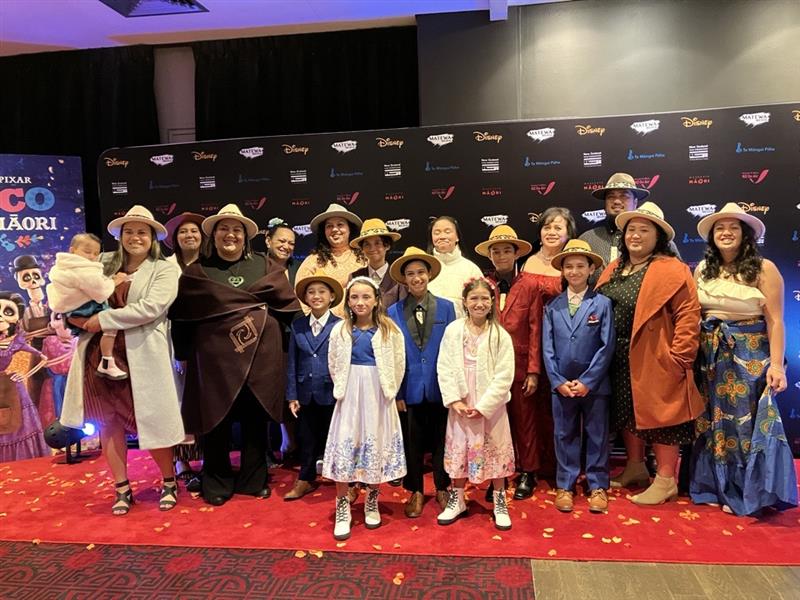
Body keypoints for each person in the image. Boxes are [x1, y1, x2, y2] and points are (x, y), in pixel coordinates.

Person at [169, 204, 300, 506]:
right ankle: (216, 479)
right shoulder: (197, 272)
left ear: (245, 237)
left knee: (256, 421)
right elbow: (182, 317)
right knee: (215, 422)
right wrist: (183, 354)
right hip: (213, 364)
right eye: (223, 229)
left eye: (236, 230)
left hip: (260, 360)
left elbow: (287, 307)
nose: (230, 235)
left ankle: (254, 480)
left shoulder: (267, 266)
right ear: (213, 236)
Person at [60, 205, 185, 515]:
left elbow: (151, 308)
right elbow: (72, 295)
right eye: (129, 231)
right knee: (108, 421)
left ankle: (169, 481)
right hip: (97, 356)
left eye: (142, 231)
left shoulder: (165, 268)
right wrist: (76, 317)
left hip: (140, 355)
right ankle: (121, 487)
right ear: (120, 236)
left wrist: (103, 320)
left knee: (152, 420)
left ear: (153, 236)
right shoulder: (100, 264)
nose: (135, 237)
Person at [690, 203, 797, 515]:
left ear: (745, 235)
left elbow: (776, 320)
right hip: (709, 354)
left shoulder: (766, 269)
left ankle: (746, 491)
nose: (725, 233)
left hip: (750, 355)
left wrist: (776, 364)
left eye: (733, 228)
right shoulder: (702, 270)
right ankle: (713, 486)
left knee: (745, 424)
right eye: (719, 228)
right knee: (709, 421)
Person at [595, 201, 704, 506]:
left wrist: (679, 356)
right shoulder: (614, 268)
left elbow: (688, 313)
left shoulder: (672, 268)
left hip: (656, 356)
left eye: (645, 230)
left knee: (662, 417)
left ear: (658, 237)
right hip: (618, 357)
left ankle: (666, 479)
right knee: (630, 414)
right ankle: (636, 467)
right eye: (631, 229)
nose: (636, 235)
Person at [323, 277, 406, 541]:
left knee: (374, 442)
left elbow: (397, 362)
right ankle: (342, 505)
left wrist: (389, 389)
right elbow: (334, 362)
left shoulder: (389, 329)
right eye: (355, 297)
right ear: (348, 300)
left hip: (378, 392)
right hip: (349, 392)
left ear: (376, 300)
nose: (360, 302)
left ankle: (372, 497)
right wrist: (343, 387)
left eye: (366, 297)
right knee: (346, 442)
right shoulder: (340, 330)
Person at [436, 278, 516, 531]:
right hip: (462, 400)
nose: (479, 303)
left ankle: (499, 500)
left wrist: (485, 405)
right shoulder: (453, 331)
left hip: (490, 403)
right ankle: (457, 498)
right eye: (474, 299)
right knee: (459, 447)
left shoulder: (500, 335)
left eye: (484, 298)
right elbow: (445, 366)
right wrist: (455, 400)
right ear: (465, 302)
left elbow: (505, 375)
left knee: (496, 449)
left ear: (492, 302)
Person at [542, 239, 615, 513]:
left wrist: (588, 381)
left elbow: (607, 346)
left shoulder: (602, 303)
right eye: (569, 267)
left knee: (597, 435)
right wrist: (558, 381)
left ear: (590, 269)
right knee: (564, 434)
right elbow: (547, 348)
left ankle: (597, 485)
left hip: (594, 386)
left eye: (580, 266)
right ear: (562, 271)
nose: (574, 271)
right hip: (561, 385)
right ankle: (565, 484)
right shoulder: (552, 306)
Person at [386, 247, 456, 517]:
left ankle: (442, 486)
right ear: (404, 279)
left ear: (429, 275)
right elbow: (391, 355)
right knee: (411, 442)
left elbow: (452, 351)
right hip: (409, 389)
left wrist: (452, 388)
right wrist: (398, 392)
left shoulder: (447, 308)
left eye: (421, 273)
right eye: (410, 274)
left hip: (440, 387)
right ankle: (415, 490)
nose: (416, 278)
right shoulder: (392, 312)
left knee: (442, 439)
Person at [478, 225, 542, 500]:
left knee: (524, 421)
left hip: (520, 365)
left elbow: (536, 327)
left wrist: (533, 371)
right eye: (496, 251)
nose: (501, 255)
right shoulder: (484, 284)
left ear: (516, 253)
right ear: (490, 255)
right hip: (490, 368)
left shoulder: (530, 285)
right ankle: (499, 473)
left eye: (506, 250)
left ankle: (529, 471)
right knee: (495, 424)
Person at [519, 206, 577, 482]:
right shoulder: (527, 262)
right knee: (530, 409)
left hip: (562, 343)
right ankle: (530, 466)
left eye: (558, 227)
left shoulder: (572, 265)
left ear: (568, 233)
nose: (552, 232)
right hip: (529, 343)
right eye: (547, 227)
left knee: (559, 408)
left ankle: (560, 468)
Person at [284, 272, 343, 501]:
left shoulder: (340, 325)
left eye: (322, 292)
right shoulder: (298, 326)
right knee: (306, 438)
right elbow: (292, 362)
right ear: (306, 298)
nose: (316, 296)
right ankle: (305, 479)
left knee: (337, 437)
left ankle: (343, 480)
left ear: (331, 297)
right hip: (305, 390)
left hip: (332, 392)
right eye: (311, 292)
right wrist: (292, 395)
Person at [47, 233, 128, 380]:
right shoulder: (83, 269)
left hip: (72, 310)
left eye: (96, 254)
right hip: (84, 309)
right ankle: (107, 361)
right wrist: (116, 280)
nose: (91, 257)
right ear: (72, 250)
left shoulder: (61, 267)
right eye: (87, 251)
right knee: (111, 324)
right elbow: (101, 291)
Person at [163, 211, 206, 484]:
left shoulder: (211, 266)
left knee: (206, 400)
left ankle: (207, 457)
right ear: (175, 238)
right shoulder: (165, 267)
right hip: (171, 339)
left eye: (194, 231)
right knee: (177, 400)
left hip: (207, 339)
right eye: (183, 231)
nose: (189, 235)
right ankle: (181, 462)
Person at [580, 172, 680, 274]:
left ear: (635, 202)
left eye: (624, 196)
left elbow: (678, 276)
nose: (617, 201)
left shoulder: (659, 241)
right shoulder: (587, 240)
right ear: (605, 203)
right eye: (611, 197)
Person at [0, 291, 49, 462]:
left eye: (7, 312)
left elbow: (43, 359)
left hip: (10, 386)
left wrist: (24, 374)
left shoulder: (16, 342)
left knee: (17, 424)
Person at [296, 203, 365, 317]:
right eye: (329, 226)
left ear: (349, 229)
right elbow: (301, 297)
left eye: (340, 224)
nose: (335, 229)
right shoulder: (313, 261)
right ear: (324, 232)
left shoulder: (363, 258)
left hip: (359, 325)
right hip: (325, 328)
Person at [426, 216, 483, 317]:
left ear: (457, 237)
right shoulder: (425, 269)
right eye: (437, 233)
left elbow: (481, 304)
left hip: (462, 330)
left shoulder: (471, 269)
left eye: (447, 232)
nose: (442, 236)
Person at [348, 218, 406, 308]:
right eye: (367, 244)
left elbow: (403, 310)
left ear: (387, 246)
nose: (372, 248)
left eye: (377, 243)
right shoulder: (355, 277)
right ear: (362, 249)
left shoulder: (398, 277)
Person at [266, 217, 298, 283]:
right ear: (268, 241)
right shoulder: (256, 265)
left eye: (291, 243)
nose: (286, 247)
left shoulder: (300, 268)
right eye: (282, 241)